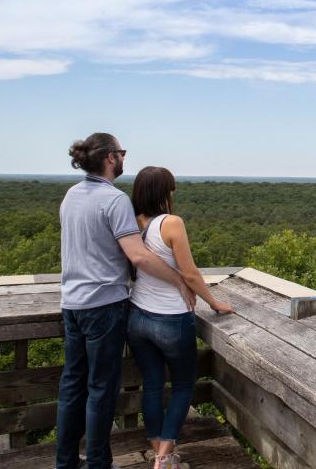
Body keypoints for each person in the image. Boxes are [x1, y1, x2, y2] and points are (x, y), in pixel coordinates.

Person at [57, 133, 195, 469]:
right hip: (103, 305)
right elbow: (139, 257)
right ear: (109, 158)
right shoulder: (114, 200)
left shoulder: (71, 196)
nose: (123, 158)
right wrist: (179, 280)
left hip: (71, 304)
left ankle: (65, 463)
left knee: (72, 386)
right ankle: (99, 464)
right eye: (121, 153)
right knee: (101, 390)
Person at [128, 166, 233, 469]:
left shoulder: (132, 223)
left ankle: (155, 445)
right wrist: (213, 302)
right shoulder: (171, 223)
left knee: (151, 384)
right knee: (184, 385)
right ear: (164, 192)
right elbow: (189, 272)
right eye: (171, 188)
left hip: (136, 317)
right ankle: (164, 457)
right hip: (170, 319)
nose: (174, 193)